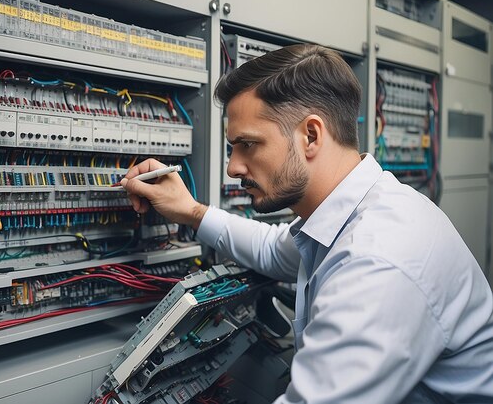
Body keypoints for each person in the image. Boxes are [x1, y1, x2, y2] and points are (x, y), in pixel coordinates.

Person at [120, 44, 493, 403]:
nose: (233, 167)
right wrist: (191, 211)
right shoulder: (356, 212)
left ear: (311, 135)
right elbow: (272, 249)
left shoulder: (378, 261)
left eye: (247, 144)